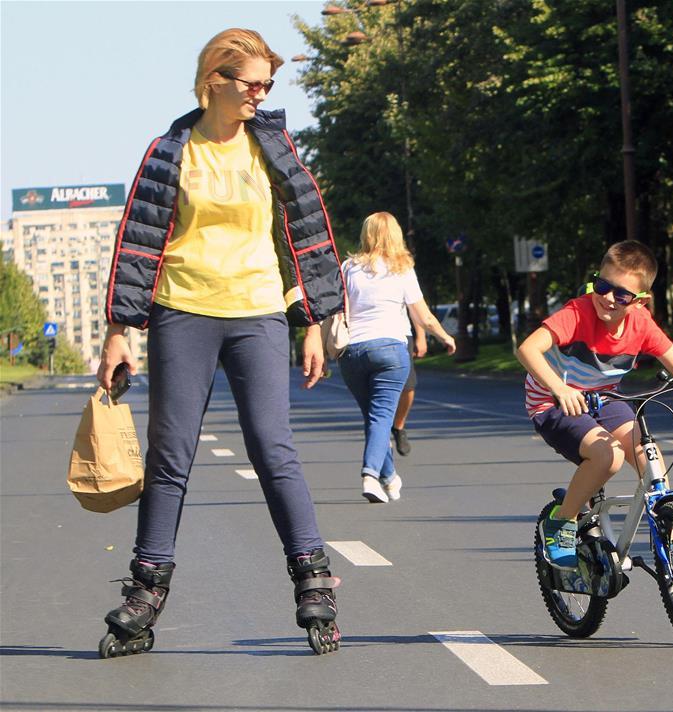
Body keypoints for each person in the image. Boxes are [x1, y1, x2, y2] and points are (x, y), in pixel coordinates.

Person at [96, 29, 344, 657]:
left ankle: (314, 584)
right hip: (183, 311)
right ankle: (144, 593)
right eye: (251, 84)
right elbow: (139, 242)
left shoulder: (272, 146)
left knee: (273, 446)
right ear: (214, 81)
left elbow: (307, 231)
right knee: (170, 456)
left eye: (268, 84)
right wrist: (119, 330)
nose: (261, 95)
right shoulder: (170, 151)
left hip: (258, 312)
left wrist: (315, 318)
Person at [516, 240, 673, 570]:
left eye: (621, 294)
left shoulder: (641, 323)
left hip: (604, 398)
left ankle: (669, 535)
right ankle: (561, 521)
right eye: (603, 286)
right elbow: (527, 349)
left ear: (640, 301)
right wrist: (560, 388)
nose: (608, 298)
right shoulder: (576, 314)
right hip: (554, 403)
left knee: (646, 452)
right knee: (608, 457)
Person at [339, 212, 455, 503]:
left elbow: (339, 312)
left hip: (353, 352)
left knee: (374, 416)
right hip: (390, 351)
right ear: (396, 236)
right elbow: (424, 316)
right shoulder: (402, 269)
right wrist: (445, 337)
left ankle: (389, 477)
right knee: (380, 417)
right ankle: (370, 474)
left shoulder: (348, 268)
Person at [391, 319, 427, 456]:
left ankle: (398, 426)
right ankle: (379, 434)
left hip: (401, 335)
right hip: (365, 335)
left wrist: (421, 336)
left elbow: (415, 306)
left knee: (408, 386)